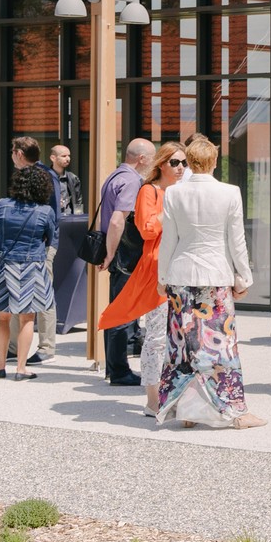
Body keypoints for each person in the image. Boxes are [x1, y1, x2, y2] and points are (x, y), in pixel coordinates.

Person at [157, 135, 264, 429]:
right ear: (215, 161)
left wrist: (162, 276)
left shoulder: (174, 193)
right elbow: (236, 240)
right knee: (221, 347)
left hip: (180, 274)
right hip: (215, 275)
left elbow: (168, 240)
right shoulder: (230, 193)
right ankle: (235, 411)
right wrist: (244, 277)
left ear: (189, 162)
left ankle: (187, 410)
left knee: (183, 345)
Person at [99, 141, 184, 417]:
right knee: (156, 337)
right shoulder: (149, 190)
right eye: (175, 162)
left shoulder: (183, 191)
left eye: (184, 163)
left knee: (180, 337)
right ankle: (152, 399)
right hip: (157, 270)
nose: (180, 168)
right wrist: (170, 209)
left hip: (183, 270)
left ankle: (174, 393)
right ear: (161, 164)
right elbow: (147, 229)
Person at [0, 165, 59, 380]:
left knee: (2, 318)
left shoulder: (2, 205)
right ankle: (21, 368)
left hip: (6, 265)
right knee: (27, 318)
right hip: (32, 267)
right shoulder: (45, 211)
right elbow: (49, 238)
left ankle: (0, 366)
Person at [97, 138, 156, 386]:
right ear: (141, 158)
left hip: (117, 253)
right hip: (124, 255)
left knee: (116, 310)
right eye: (152, 157)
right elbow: (117, 220)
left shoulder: (114, 176)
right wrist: (111, 254)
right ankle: (119, 371)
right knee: (122, 313)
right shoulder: (132, 181)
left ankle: (114, 368)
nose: (154, 162)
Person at [49, 143, 83, 216]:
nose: (68, 159)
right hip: (51, 218)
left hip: (69, 218)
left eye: (69, 156)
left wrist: (78, 217)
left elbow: (78, 202)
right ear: (53, 158)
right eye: (64, 156)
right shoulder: (45, 177)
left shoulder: (73, 178)